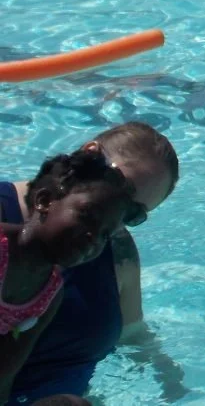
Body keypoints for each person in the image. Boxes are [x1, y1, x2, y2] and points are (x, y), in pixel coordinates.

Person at [1, 122, 180, 405]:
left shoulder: (117, 251)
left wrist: (170, 377)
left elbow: (132, 331)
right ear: (90, 154)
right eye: (121, 189)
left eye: (134, 215)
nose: (118, 216)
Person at [1, 151, 133, 404]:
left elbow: (5, 373)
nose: (92, 238)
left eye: (105, 235)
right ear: (45, 200)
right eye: (87, 217)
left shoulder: (48, 294)